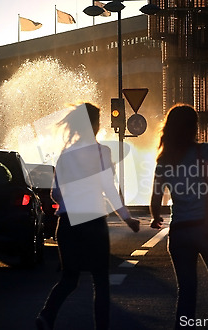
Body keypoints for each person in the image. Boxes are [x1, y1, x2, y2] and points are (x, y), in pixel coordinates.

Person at [36, 103, 140, 330]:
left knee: (69, 278)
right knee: (101, 281)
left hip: (67, 222)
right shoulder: (102, 152)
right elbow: (109, 189)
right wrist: (127, 218)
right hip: (93, 221)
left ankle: (46, 316)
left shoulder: (64, 155)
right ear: (93, 125)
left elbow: (55, 193)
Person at [149, 104, 208, 329]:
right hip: (207, 229)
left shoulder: (163, 159)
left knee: (186, 291)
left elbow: (156, 197)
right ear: (193, 127)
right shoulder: (204, 151)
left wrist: (155, 217)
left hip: (179, 233)